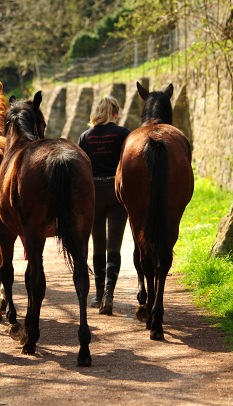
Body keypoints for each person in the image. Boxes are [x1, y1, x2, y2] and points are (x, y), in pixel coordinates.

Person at [78, 96, 130, 315]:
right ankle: (109, 294)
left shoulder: (85, 137)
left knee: (98, 245)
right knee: (114, 246)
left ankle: (98, 295)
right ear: (115, 113)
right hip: (117, 195)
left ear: (96, 112)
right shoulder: (123, 134)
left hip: (94, 195)